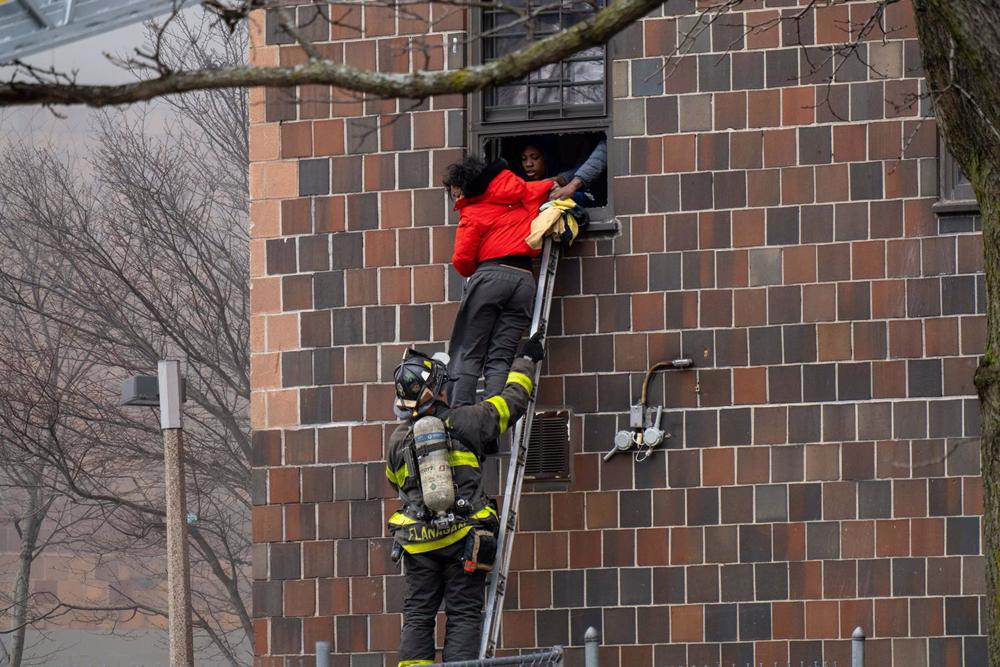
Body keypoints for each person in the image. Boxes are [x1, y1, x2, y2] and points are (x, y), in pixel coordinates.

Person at [385, 335, 545, 666]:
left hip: (418, 542)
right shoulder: (466, 421)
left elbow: (394, 482)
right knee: (463, 613)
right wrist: (525, 360)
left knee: (418, 613)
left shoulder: (397, 440)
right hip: (463, 538)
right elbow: (511, 403)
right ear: (439, 391)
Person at [443, 155, 554, 409]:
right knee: (501, 357)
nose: (456, 200)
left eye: (456, 194)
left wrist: (479, 265)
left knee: (467, 351)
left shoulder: (473, 210)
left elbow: (462, 260)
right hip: (525, 281)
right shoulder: (523, 191)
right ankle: (491, 421)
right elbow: (549, 186)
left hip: (491, 277)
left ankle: (463, 420)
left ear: (467, 186)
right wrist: (565, 180)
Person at [520, 136, 607, 207]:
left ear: (547, 158)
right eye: (523, 159)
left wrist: (565, 193)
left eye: (535, 157)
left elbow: (589, 198)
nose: (528, 164)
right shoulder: (518, 184)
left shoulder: (563, 178)